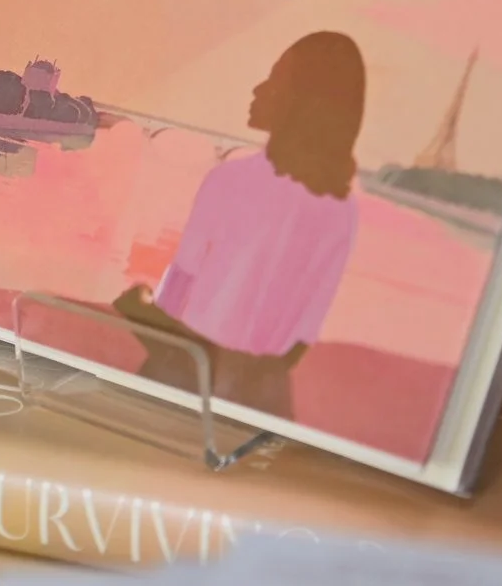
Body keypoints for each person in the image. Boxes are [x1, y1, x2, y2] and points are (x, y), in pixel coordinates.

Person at [113, 31, 364, 412]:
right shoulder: (343, 212)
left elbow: (178, 292)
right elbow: (303, 335)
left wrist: (137, 305)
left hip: (186, 376)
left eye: (275, 80)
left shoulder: (229, 181)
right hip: (265, 395)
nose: (257, 89)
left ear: (301, 102)